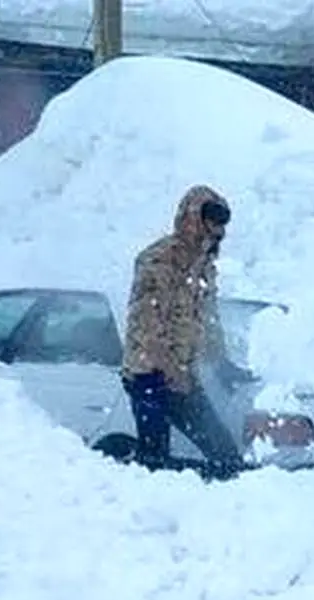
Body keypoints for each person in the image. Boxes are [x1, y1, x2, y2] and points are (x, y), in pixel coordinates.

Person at [121, 184, 256, 479]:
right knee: (154, 460)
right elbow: (146, 325)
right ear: (195, 220)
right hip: (150, 375)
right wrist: (169, 370)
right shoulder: (160, 260)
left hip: (183, 375)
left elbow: (207, 319)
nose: (219, 232)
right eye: (213, 223)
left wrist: (221, 363)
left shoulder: (203, 265)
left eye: (222, 226)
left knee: (225, 455)